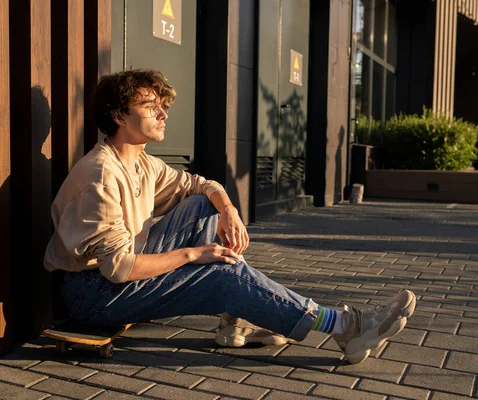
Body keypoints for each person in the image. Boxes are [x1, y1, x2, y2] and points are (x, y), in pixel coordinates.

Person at [44, 69, 416, 364]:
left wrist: (229, 210)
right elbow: (119, 270)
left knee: (202, 204)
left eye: (163, 105)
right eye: (149, 106)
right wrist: (195, 255)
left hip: (116, 276)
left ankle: (234, 319)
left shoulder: (141, 163)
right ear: (118, 115)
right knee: (221, 273)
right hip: (94, 295)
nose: (163, 114)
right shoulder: (100, 175)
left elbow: (202, 185)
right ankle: (342, 327)